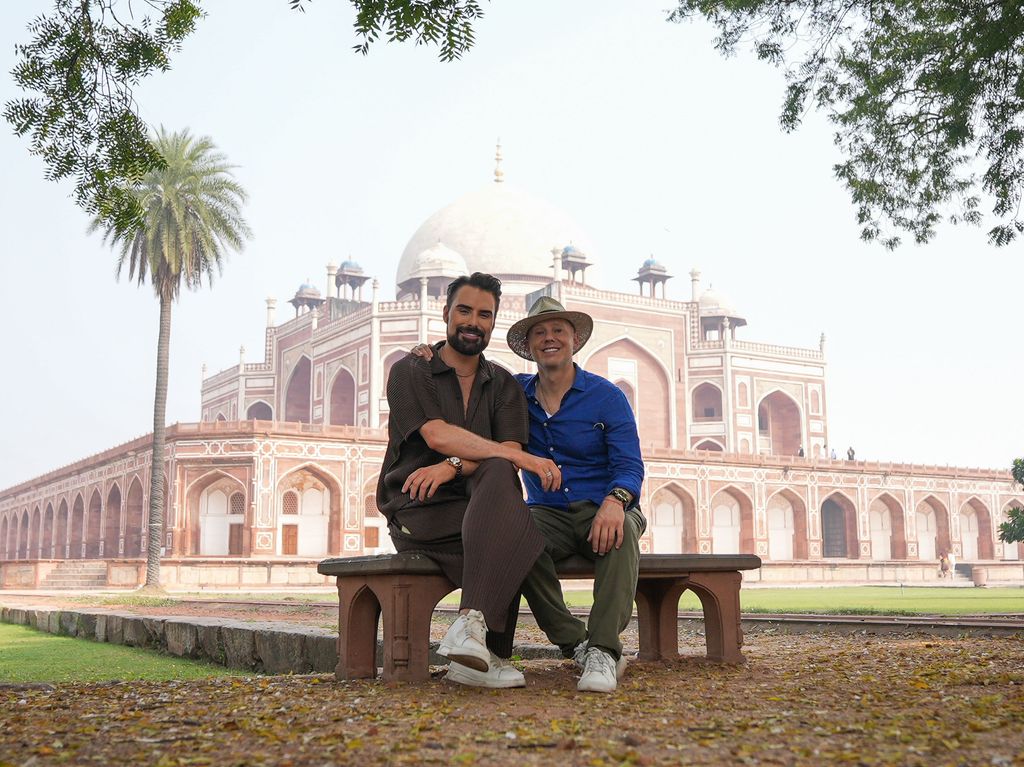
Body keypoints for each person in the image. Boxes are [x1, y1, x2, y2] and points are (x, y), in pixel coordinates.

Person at [411, 296, 645, 693]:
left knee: (619, 535)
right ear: (530, 345)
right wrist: (428, 355)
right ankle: (578, 644)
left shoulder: (607, 396)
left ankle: (604, 650)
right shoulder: (514, 391)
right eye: (540, 333)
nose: (549, 338)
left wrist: (616, 501)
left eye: (558, 331)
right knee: (517, 534)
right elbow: (470, 371)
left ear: (574, 340)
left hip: (605, 503)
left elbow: (630, 465)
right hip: (547, 511)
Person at [378, 272, 561, 689]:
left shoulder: (503, 385)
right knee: (513, 530)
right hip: (417, 508)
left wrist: (452, 466)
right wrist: (514, 454)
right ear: (446, 313)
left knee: (500, 493)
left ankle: (471, 634)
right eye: (464, 310)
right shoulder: (411, 370)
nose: (473, 322)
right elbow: (436, 434)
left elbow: (503, 456)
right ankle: (495, 654)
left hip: (475, 505)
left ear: (494, 322)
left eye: (484, 314)